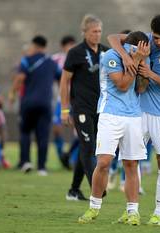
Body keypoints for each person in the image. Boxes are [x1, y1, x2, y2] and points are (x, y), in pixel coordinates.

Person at [108, 14, 160, 226]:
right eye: (156, 38)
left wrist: (151, 74)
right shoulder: (145, 41)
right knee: (130, 160)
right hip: (138, 112)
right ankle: (131, 210)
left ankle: (158, 213)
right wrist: (126, 56)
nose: (159, 42)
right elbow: (113, 38)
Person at [78, 31, 149, 225]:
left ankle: (133, 211)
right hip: (110, 114)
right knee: (104, 162)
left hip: (134, 117)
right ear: (130, 47)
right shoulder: (111, 56)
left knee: (132, 164)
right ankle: (94, 207)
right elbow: (123, 85)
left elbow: (141, 88)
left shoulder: (141, 57)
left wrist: (141, 63)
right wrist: (134, 60)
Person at [60, 14, 109, 200]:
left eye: (99, 31)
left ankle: (73, 190)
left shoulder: (105, 51)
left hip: (101, 109)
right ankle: (97, 189)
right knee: (88, 148)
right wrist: (65, 109)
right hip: (81, 108)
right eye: (94, 31)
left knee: (87, 148)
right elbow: (64, 81)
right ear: (85, 32)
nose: (97, 35)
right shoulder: (76, 52)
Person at [10, 35, 61, 176]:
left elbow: (20, 78)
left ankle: (26, 162)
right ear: (45, 47)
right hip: (46, 103)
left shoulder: (26, 60)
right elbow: (60, 79)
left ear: (35, 46)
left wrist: (12, 94)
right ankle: (42, 167)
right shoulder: (52, 62)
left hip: (28, 102)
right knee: (43, 135)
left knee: (25, 131)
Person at [51, 35, 77, 168]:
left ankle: (72, 158)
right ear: (63, 46)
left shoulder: (80, 57)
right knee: (56, 128)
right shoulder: (55, 59)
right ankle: (61, 154)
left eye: (73, 44)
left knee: (78, 129)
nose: (71, 47)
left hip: (77, 99)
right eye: (68, 44)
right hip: (61, 99)